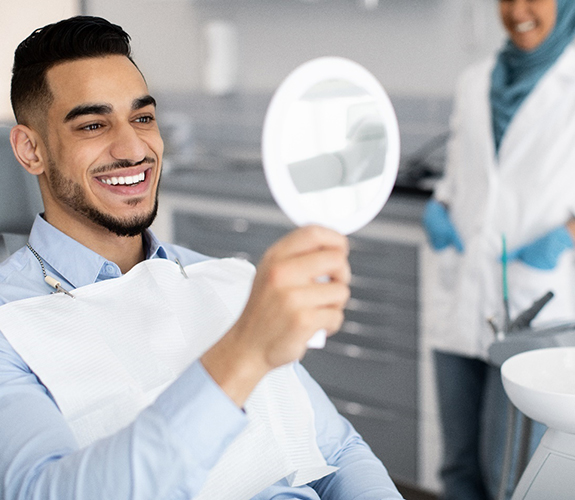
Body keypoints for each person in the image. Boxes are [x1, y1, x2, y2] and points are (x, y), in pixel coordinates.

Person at [0, 15, 404, 500]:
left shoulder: (224, 279)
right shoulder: (10, 327)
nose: (133, 149)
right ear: (30, 149)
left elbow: (338, 454)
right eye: (93, 124)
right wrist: (243, 353)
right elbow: (47, 491)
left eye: (143, 118)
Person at [422, 0, 575, 499]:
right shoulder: (475, 80)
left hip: (537, 300)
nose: (518, 9)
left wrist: (568, 234)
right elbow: (459, 176)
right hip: (464, 289)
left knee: (509, 476)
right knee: (458, 467)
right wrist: (440, 207)